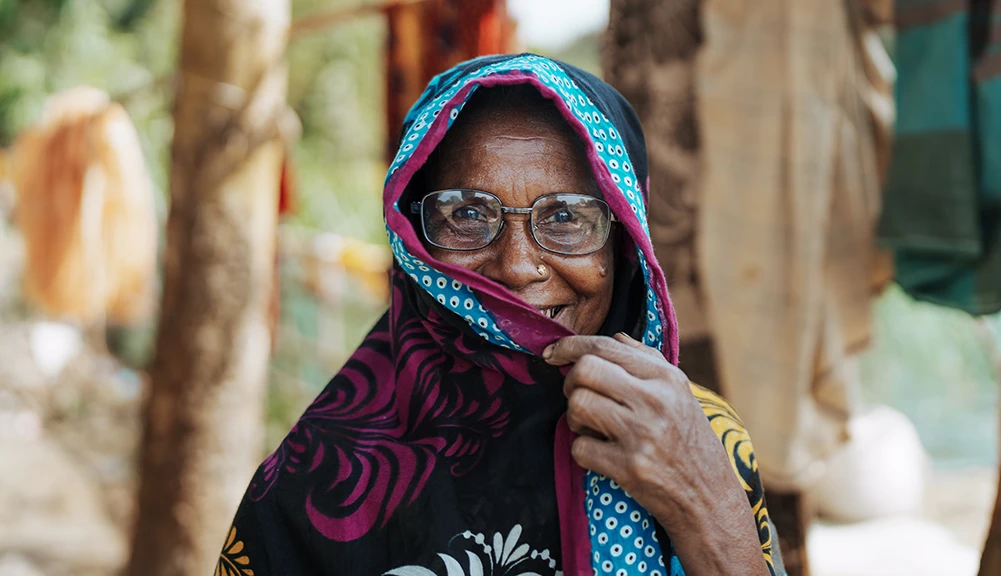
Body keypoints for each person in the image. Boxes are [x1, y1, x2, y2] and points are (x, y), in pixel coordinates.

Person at [219, 54, 783, 576]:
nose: (518, 268)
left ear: (625, 242)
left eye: (565, 216)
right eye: (466, 213)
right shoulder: (312, 485)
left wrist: (705, 508)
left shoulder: (700, 436)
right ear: (412, 236)